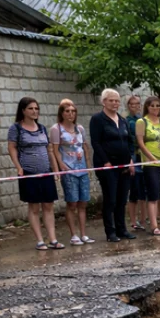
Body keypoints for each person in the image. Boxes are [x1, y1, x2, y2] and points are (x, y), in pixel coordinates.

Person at [6, 96, 63, 250]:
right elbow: (11, 147)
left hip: (46, 171)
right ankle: (39, 240)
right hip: (29, 172)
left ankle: (53, 239)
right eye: (30, 108)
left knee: (49, 205)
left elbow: (49, 150)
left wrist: (55, 169)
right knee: (34, 207)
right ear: (23, 110)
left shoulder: (42, 128)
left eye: (36, 108)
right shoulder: (16, 128)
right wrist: (18, 166)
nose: (34, 111)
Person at [89, 88, 136, 242]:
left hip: (124, 165)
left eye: (117, 100)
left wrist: (130, 160)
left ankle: (122, 229)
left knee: (122, 199)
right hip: (108, 166)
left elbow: (130, 141)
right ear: (104, 102)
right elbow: (96, 142)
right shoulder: (97, 119)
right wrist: (106, 162)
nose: (115, 103)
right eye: (111, 100)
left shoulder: (122, 120)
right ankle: (110, 232)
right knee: (111, 199)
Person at [48, 98, 95, 246]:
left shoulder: (79, 128)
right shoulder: (57, 129)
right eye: (67, 111)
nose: (70, 114)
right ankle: (73, 235)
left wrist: (88, 165)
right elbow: (55, 150)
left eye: (73, 111)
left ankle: (83, 234)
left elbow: (85, 147)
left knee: (83, 202)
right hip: (69, 170)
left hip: (81, 168)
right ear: (61, 113)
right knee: (72, 203)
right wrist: (61, 166)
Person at [135, 95, 160, 236]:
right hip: (151, 164)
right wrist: (152, 158)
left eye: (158, 106)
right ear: (147, 107)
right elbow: (140, 142)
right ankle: (153, 225)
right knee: (153, 195)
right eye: (152, 105)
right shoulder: (142, 122)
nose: (155, 108)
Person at [123, 95, 147, 231]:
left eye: (137, 104)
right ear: (128, 106)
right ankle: (133, 220)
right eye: (132, 104)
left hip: (144, 157)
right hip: (133, 156)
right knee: (134, 191)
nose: (135, 106)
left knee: (144, 190)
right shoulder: (126, 121)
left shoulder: (143, 120)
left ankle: (143, 220)